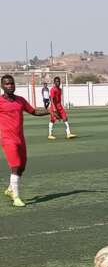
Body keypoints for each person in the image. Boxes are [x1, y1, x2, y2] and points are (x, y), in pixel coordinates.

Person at [0, 75, 50, 207]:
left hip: (20, 138)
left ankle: (11, 189)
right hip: (7, 139)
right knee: (15, 166)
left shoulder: (20, 100)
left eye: (12, 83)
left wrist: (49, 111)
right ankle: (16, 197)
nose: (10, 86)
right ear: (2, 86)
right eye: (7, 84)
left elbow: (33, 111)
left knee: (22, 168)